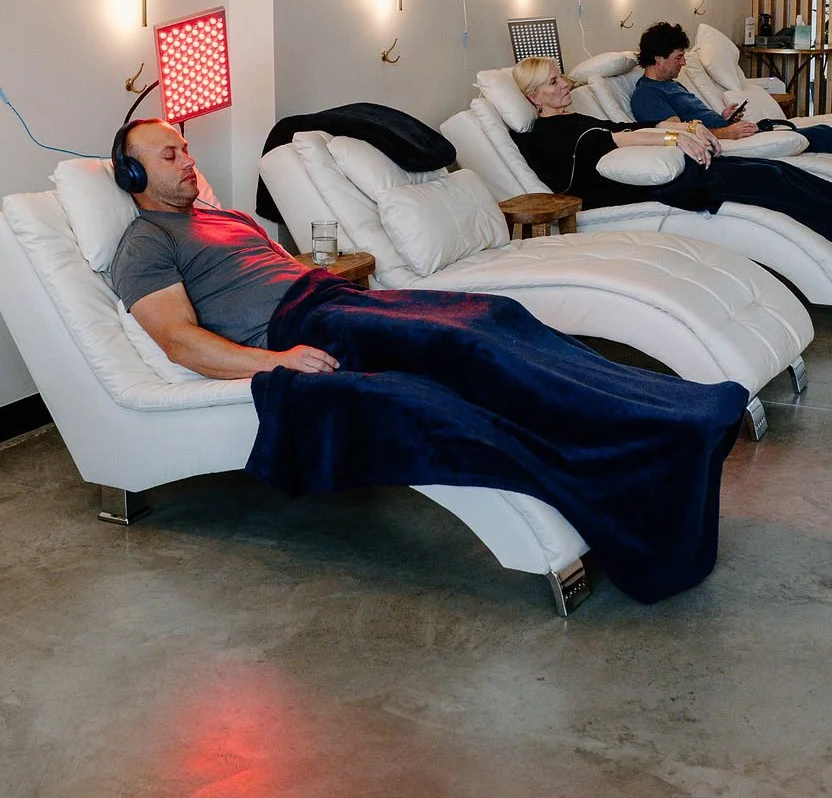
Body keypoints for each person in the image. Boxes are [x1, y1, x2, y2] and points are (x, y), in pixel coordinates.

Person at [107, 117, 750, 604]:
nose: (189, 160)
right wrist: (274, 362)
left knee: (495, 315)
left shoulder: (226, 218)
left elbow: (284, 270)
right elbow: (178, 340)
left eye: (186, 149)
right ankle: (654, 438)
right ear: (134, 176)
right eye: (171, 154)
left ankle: (669, 404)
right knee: (466, 347)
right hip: (303, 327)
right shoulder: (147, 243)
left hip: (336, 299)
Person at [510, 57, 832, 326]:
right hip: (653, 192)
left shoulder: (572, 117)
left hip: (681, 173)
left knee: (781, 174)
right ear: (533, 97)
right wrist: (674, 138)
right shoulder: (546, 136)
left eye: (561, 77)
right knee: (778, 184)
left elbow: (628, 127)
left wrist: (688, 128)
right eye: (553, 83)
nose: (564, 85)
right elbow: (617, 141)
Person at [629, 22, 832, 197]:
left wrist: (724, 118)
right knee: (820, 133)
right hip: (729, 146)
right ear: (658, 59)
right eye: (678, 58)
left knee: (821, 133)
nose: (683, 63)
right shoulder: (647, 95)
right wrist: (727, 132)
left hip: (734, 131)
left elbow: (697, 121)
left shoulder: (672, 83)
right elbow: (679, 136)